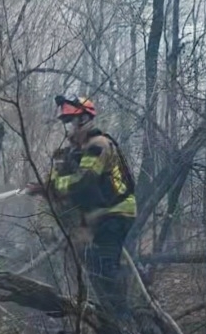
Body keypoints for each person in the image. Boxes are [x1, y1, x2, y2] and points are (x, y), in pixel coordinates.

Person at [27, 95, 137, 320]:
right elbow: (58, 185)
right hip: (95, 216)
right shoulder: (71, 152)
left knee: (104, 264)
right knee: (92, 266)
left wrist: (50, 186)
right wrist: (44, 186)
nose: (68, 128)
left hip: (116, 212)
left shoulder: (98, 145)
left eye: (71, 121)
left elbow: (83, 182)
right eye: (65, 122)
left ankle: (122, 318)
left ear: (85, 120)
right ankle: (108, 318)